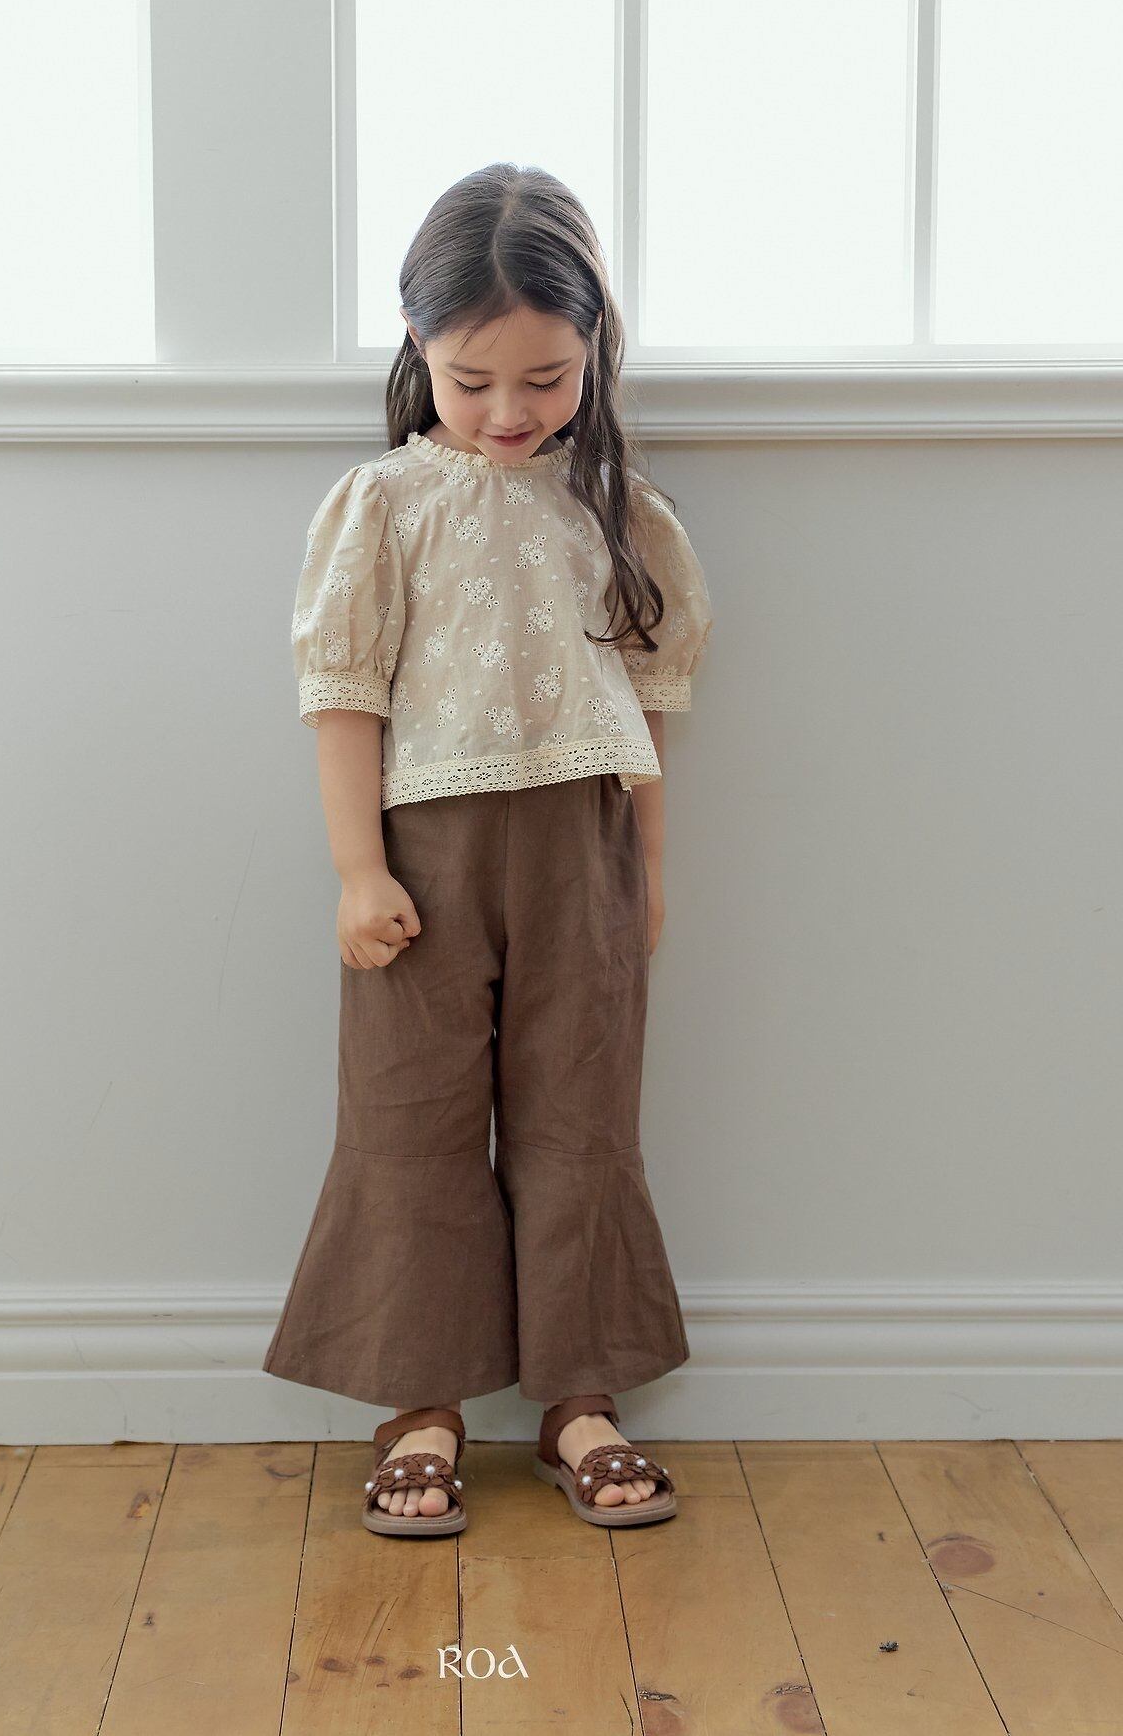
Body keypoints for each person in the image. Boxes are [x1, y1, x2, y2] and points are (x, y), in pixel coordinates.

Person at [263, 162, 713, 1537]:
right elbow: (344, 693)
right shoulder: (384, 505)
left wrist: (648, 870)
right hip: (423, 856)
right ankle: (421, 1404)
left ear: (593, 352)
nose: (510, 411)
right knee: (412, 1122)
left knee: (583, 1118)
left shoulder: (617, 509)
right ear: (417, 345)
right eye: (473, 381)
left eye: (546, 378)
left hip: (582, 845)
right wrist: (357, 869)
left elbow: (646, 704)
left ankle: (581, 1395)